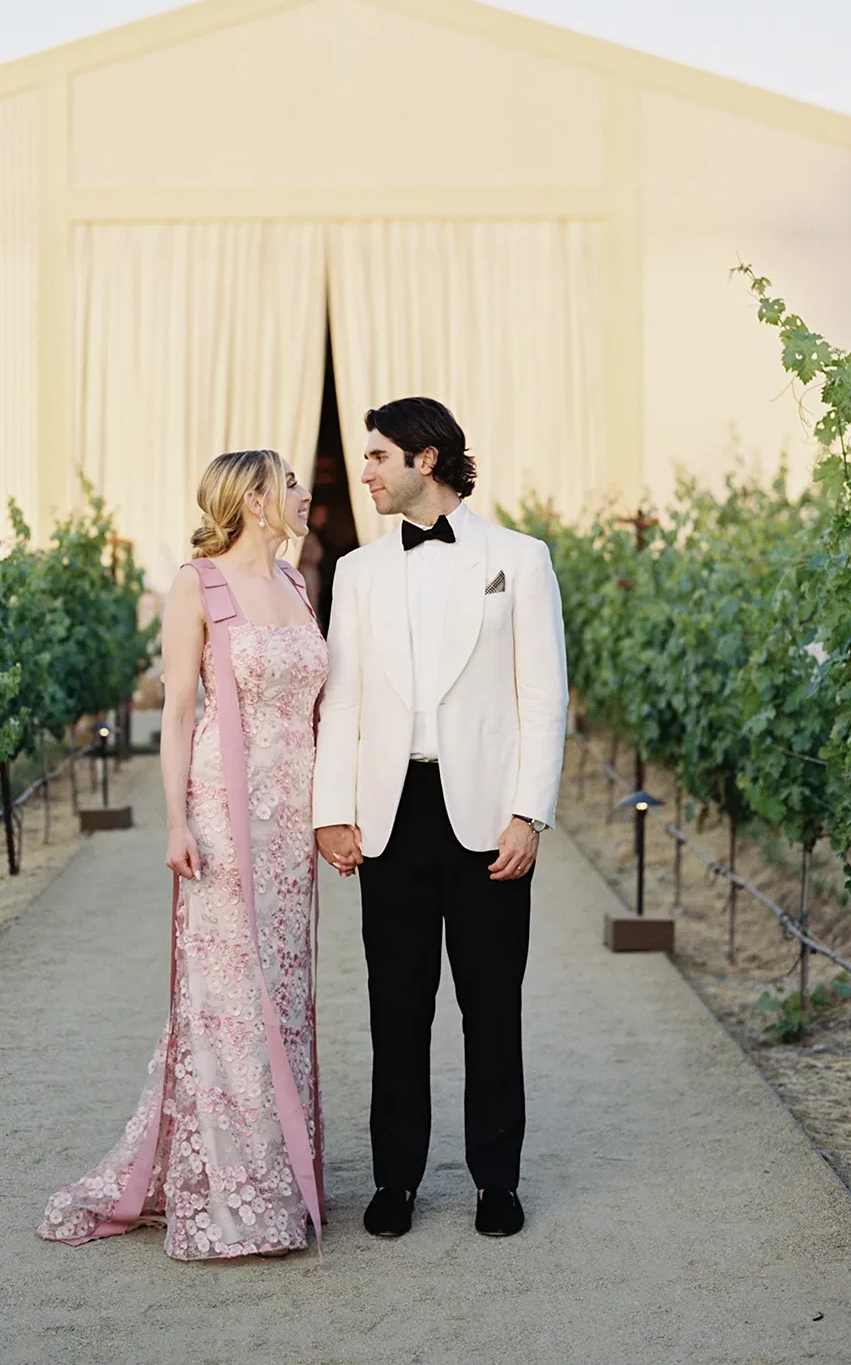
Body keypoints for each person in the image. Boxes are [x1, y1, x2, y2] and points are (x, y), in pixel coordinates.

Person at [39, 450, 328, 1260]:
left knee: (283, 987)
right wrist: (175, 822)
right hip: (224, 810)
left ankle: (280, 1168)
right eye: (293, 483)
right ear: (258, 498)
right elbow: (175, 713)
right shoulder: (195, 584)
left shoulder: (300, 585)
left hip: (290, 822)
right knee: (228, 996)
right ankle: (236, 1193)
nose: (306, 496)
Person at [312, 398, 567, 1240]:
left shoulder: (521, 561)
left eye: (379, 456)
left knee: (492, 1007)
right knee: (397, 1010)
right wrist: (332, 813)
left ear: (427, 460)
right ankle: (397, 1181)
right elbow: (341, 700)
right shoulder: (356, 572)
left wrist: (530, 812)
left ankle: (497, 1182)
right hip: (390, 818)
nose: (367, 471)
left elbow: (543, 697)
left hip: (489, 818)